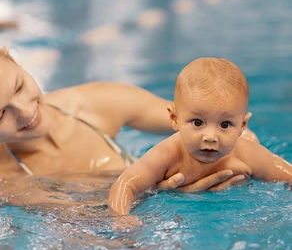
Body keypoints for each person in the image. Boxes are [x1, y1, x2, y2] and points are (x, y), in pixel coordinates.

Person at [0, 48, 258, 206]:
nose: (25, 111)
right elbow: (88, 223)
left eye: (20, 86)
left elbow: (201, 119)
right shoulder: (6, 181)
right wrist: (158, 190)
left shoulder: (92, 103)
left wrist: (239, 148)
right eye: (1, 114)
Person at [108, 57, 292, 216]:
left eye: (225, 125)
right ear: (174, 119)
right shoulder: (166, 155)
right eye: (197, 123)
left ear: (242, 126)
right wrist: (121, 218)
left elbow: (286, 174)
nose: (211, 137)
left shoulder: (247, 153)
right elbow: (126, 185)